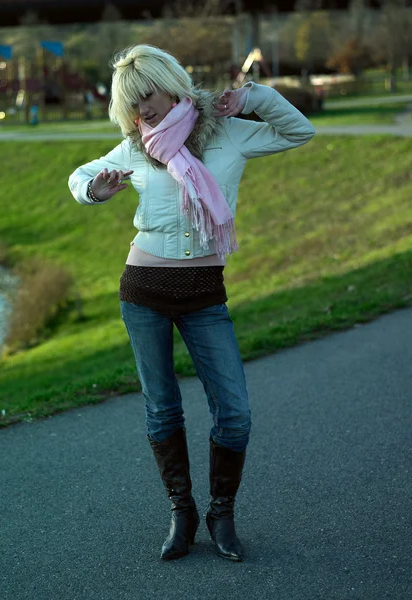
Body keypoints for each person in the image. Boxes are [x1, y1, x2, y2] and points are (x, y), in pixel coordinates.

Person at [68, 45, 314, 562]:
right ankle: (182, 512)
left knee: (236, 414)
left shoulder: (228, 133)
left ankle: (221, 513)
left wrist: (253, 96)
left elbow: (299, 132)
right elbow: (78, 176)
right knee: (163, 411)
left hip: (204, 294)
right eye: (130, 105)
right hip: (144, 293)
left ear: (172, 84)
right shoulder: (137, 147)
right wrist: (97, 189)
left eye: (146, 96)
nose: (141, 112)